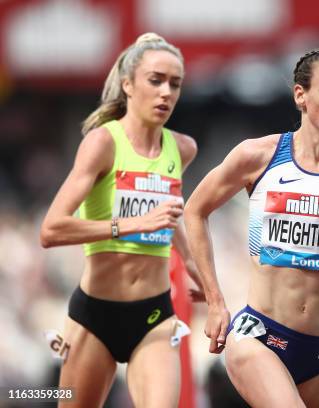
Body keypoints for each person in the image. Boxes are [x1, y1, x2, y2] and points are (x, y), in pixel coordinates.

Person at [184, 48, 319, 408]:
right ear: (300, 95)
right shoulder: (258, 156)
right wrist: (214, 301)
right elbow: (195, 210)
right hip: (259, 335)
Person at [39, 33, 203, 407]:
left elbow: (170, 212)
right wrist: (131, 224)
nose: (166, 93)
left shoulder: (182, 148)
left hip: (155, 314)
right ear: (128, 84)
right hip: (94, 315)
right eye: (156, 80)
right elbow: (50, 230)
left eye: (175, 84)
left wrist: (198, 270)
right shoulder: (102, 143)